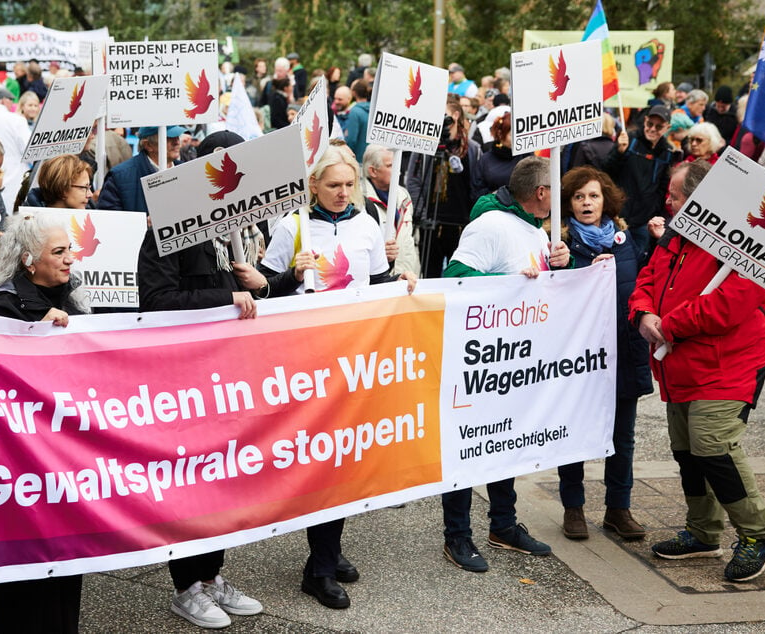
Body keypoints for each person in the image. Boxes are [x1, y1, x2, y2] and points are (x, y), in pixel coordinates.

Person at [232, 144, 416, 610]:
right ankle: (319, 568)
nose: (341, 192)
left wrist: (401, 280)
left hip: (355, 358)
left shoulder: (368, 225)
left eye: (348, 185)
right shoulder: (291, 225)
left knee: (348, 460)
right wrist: (292, 276)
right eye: (332, 185)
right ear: (313, 185)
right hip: (309, 359)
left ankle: (328, 551)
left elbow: (376, 286)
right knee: (325, 461)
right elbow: (266, 295)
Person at [137, 130, 264, 629]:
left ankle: (212, 576)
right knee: (190, 481)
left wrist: (259, 284)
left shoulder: (237, 231)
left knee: (223, 479)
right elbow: (157, 301)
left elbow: (250, 300)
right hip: (183, 377)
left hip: (225, 374)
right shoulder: (166, 229)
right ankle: (186, 586)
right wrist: (225, 298)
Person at [629, 160, 765, 582]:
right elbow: (647, 279)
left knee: (713, 445)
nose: (667, 201)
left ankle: (757, 533)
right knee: (686, 450)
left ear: (701, 197)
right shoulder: (677, 237)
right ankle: (703, 532)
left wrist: (669, 324)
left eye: (675, 195)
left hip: (729, 363)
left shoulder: (746, 241)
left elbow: (730, 303)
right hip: (680, 364)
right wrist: (642, 313)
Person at [441, 156, 571, 573]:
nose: (560, 197)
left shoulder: (534, 227)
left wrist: (559, 265)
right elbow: (455, 279)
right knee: (468, 447)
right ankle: (457, 536)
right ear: (540, 193)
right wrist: (511, 285)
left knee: (505, 444)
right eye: (555, 189)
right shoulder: (490, 226)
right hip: (479, 364)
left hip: (514, 364)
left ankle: (503, 525)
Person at [0, 214, 87, 632]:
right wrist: (33, 334)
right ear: (27, 261)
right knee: (26, 583)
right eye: (59, 252)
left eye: (70, 249)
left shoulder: (73, 297)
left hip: (64, 466)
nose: (70, 259)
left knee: (65, 577)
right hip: (19, 473)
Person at [557, 167, 652, 541]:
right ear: (569, 203)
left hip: (622, 350)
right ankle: (573, 508)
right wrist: (578, 270)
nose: (586, 203)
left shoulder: (625, 239)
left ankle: (618, 508)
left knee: (622, 436)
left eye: (593, 196)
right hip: (579, 356)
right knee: (573, 433)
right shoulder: (560, 244)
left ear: (605, 200)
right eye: (579, 197)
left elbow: (645, 282)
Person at [406, 100, 483, 277]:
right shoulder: (425, 146)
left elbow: (477, 186)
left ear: (455, 115)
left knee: (460, 277)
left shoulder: (472, 149)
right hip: (431, 225)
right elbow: (413, 181)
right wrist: (422, 214)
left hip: (462, 225)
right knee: (429, 275)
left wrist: (474, 219)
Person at [603, 104, 680, 253]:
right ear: (645, 121)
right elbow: (606, 171)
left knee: (638, 258)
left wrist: (652, 211)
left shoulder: (668, 152)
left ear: (667, 128)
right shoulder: (629, 139)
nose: (652, 129)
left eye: (658, 127)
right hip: (619, 215)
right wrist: (619, 153)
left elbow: (663, 187)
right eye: (650, 124)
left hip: (644, 220)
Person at [361, 144, 421, 275]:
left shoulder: (403, 195)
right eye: (390, 166)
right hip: (379, 279)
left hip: (408, 276)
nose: (398, 170)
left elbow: (412, 240)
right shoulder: (360, 200)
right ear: (373, 171)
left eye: (397, 164)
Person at [98, 125, 185, 213]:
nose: (177, 142)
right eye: (168, 138)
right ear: (148, 145)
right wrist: (144, 222)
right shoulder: (119, 177)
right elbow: (109, 220)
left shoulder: (187, 171)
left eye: (177, 136)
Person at [0, 87, 31, 213]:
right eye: (11, 100)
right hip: (16, 176)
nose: (12, 104)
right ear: (4, 101)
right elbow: (28, 149)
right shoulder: (17, 120)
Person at [472, 111, 527, 198]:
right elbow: (476, 192)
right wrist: (494, 195)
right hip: (493, 208)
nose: (518, 139)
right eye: (512, 135)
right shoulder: (486, 159)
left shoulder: (526, 156)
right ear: (500, 134)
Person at [344, 80, 371, 163]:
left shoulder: (355, 112)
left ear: (354, 93)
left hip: (357, 159)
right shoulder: (373, 110)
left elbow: (352, 139)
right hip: (371, 157)